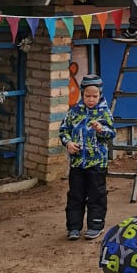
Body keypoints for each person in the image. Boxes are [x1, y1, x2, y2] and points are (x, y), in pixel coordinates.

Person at [58, 74, 115, 241]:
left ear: (100, 94)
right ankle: (73, 227)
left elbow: (111, 133)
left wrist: (101, 130)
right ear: (82, 94)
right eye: (87, 96)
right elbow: (64, 130)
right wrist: (68, 143)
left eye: (94, 96)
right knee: (75, 195)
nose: (91, 99)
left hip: (97, 163)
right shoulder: (74, 112)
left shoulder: (104, 112)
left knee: (97, 195)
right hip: (77, 163)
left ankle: (95, 226)